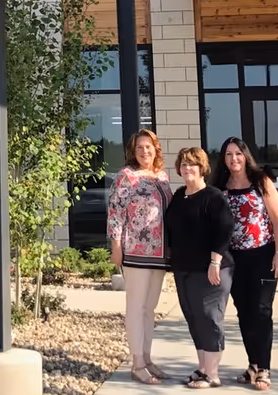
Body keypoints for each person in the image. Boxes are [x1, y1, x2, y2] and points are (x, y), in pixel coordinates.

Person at [213, 137, 278, 391]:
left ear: (246, 156)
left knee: (261, 310)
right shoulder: (221, 186)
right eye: (228, 154)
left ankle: (265, 368)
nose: (234, 159)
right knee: (244, 312)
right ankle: (253, 364)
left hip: (262, 255)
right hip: (235, 259)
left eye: (238, 154)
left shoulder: (261, 181)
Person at [164, 146, 234, 390]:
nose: (187, 168)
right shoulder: (180, 195)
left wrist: (215, 262)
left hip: (211, 269)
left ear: (202, 168)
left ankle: (213, 375)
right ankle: (202, 368)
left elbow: (224, 230)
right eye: (183, 164)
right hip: (184, 269)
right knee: (193, 318)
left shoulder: (213, 197)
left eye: (192, 164)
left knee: (209, 317)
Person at [107, 128, 172, 384]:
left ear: (156, 149)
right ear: (132, 152)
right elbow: (115, 213)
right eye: (139, 148)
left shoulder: (162, 177)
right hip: (135, 251)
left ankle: (147, 358)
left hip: (159, 254)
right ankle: (136, 363)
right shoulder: (126, 177)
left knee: (150, 308)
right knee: (136, 307)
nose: (145, 151)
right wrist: (116, 247)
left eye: (149, 146)